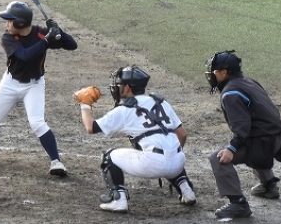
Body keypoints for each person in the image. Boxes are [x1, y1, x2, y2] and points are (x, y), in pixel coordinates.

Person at [0, 1, 77, 176]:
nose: (7, 24)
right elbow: (25, 56)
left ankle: (56, 162)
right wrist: (47, 40)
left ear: (20, 23)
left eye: (10, 21)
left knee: (37, 123)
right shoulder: (8, 37)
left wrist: (58, 31)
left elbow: (72, 45)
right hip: (9, 84)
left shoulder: (40, 33)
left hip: (34, 85)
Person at [75, 65, 197, 213]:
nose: (117, 87)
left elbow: (90, 127)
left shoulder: (124, 110)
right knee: (170, 149)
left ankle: (118, 200)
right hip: (178, 162)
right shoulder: (160, 102)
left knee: (109, 157)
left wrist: (85, 104)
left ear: (127, 88)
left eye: (120, 84)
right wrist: (172, 156)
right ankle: (187, 190)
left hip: (153, 164)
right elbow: (182, 134)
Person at [205, 50, 281, 219]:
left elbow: (242, 128)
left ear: (224, 72)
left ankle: (238, 204)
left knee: (218, 158)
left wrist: (231, 149)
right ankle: (268, 186)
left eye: (215, 71)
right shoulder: (249, 82)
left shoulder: (230, 93)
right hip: (278, 137)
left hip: (266, 143)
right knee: (252, 139)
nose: (212, 74)